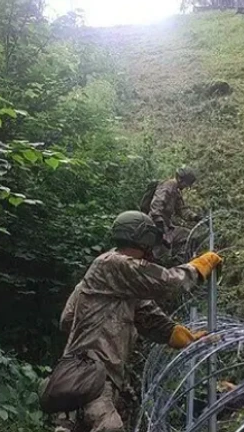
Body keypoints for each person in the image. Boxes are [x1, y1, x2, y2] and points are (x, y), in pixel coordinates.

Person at [57, 211, 222, 432]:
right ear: (143, 238)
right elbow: (166, 283)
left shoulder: (106, 276)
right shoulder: (114, 263)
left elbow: (67, 319)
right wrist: (198, 267)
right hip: (93, 374)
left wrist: (177, 334)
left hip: (74, 375)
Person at [148, 167, 202, 262]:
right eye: (187, 183)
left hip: (167, 227)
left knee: (187, 236)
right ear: (181, 179)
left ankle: (178, 262)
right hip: (156, 226)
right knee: (158, 255)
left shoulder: (176, 191)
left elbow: (181, 210)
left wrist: (195, 217)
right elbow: (156, 206)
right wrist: (160, 227)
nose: (186, 186)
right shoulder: (167, 186)